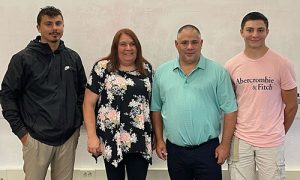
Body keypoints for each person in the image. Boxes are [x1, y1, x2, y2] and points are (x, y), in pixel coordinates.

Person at [0, 6, 87, 180]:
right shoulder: (22, 59)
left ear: (63, 26)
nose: (54, 28)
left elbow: (82, 93)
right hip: (35, 139)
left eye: (58, 23)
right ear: (38, 27)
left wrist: (75, 123)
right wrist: (22, 133)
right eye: (48, 24)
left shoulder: (73, 58)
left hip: (67, 139)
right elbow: (7, 96)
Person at [151, 24, 237, 180]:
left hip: (208, 150)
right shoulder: (162, 73)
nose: (189, 47)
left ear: (201, 43)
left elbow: (230, 110)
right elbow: (156, 109)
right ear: (176, 44)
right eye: (184, 42)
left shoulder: (218, 72)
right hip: (175, 151)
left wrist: (225, 145)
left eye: (194, 42)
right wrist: (159, 140)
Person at [225, 12, 298, 180]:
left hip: (271, 141)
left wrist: (278, 130)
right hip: (240, 140)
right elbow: (229, 104)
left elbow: (292, 105)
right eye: (250, 30)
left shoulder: (282, 64)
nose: (255, 35)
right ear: (241, 32)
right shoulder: (231, 65)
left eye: (260, 30)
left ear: (267, 32)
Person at [83, 28, 153, 180]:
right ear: (116, 47)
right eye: (123, 44)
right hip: (111, 139)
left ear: (138, 47)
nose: (128, 48)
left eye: (132, 44)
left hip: (140, 139)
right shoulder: (102, 68)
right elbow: (88, 104)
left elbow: (151, 105)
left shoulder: (146, 69)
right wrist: (92, 137)